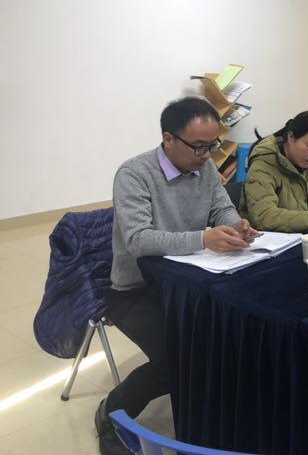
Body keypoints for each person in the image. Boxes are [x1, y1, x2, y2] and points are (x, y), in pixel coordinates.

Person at [96, 97, 258, 455]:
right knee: (177, 359)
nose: (207, 155)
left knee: (234, 335)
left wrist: (237, 227)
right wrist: (203, 238)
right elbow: (138, 240)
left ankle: (214, 413)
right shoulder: (134, 174)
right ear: (168, 139)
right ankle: (111, 412)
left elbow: (223, 209)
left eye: (212, 145)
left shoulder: (206, 168)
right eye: (199, 146)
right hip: (137, 290)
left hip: (190, 283)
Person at [240, 110, 308, 233]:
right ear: (291, 137)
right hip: (272, 238)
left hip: (306, 234)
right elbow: (264, 216)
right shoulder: (264, 164)